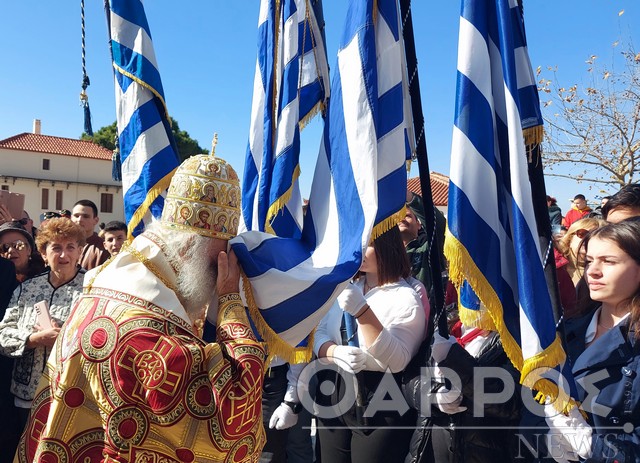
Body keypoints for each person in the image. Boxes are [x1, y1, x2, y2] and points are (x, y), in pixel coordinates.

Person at [14, 154, 266, 462]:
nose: (222, 268)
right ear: (188, 247)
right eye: (218, 258)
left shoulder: (108, 282)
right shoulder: (152, 334)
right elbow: (233, 414)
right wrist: (229, 299)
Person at [314, 225, 426, 463]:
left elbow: (398, 360)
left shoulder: (406, 298)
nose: (360, 250)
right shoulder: (348, 288)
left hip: (381, 401)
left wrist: (362, 312)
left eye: (369, 244)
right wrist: (334, 352)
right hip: (335, 391)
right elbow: (319, 333)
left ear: (388, 247)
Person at [543, 220, 640, 462]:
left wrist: (592, 447)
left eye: (609, 261)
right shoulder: (565, 331)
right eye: (588, 261)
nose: (593, 271)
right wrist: (544, 435)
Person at [0, 218, 85, 430]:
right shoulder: (26, 289)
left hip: (73, 394)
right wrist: (32, 339)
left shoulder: (93, 289)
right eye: (56, 248)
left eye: (70, 247)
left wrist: (65, 337)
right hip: (27, 395)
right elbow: (3, 335)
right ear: (44, 254)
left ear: (79, 252)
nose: (63, 255)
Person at [71, 199, 110, 270]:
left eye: (85, 216)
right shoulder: (61, 245)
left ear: (96, 220)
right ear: (71, 218)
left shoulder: (104, 249)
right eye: (76, 216)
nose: (79, 220)